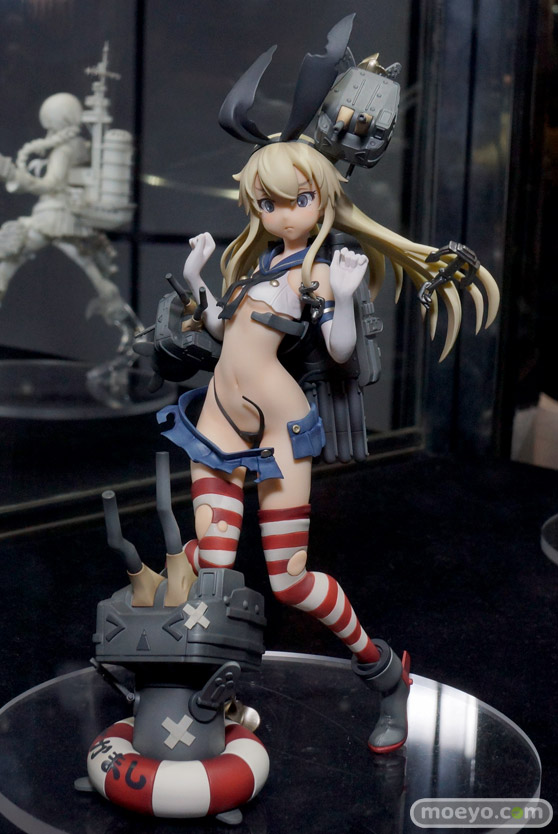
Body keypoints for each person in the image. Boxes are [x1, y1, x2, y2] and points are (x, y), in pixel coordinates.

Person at [157, 138, 499, 754]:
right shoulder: (258, 266)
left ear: (324, 200)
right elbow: (224, 333)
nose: (284, 214)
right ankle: (211, 696)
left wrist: (342, 294)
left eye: (300, 199)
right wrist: (194, 279)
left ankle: (385, 672)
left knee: (289, 582)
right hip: (217, 423)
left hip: (280, 428)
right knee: (213, 567)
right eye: (268, 203)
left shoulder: (317, 271)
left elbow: (340, 350)